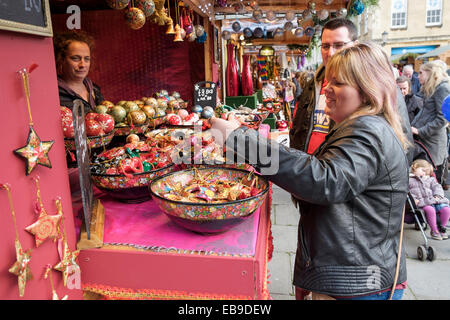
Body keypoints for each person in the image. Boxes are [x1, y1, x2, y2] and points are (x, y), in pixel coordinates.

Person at [210, 42, 410, 300]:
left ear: (367, 89)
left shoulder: (367, 131)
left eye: (337, 83)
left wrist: (239, 139)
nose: (326, 89)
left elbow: (324, 181)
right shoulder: (365, 126)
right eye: (328, 81)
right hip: (353, 271)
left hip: (357, 282)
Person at [289, 18, 414, 164]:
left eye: (338, 45)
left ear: (355, 46)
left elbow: (402, 140)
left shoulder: (378, 86)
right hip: (311, 167)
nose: (331, 52)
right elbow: (299, 126)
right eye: (325, 46)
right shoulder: (313, 83)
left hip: (342, 172)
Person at [411, 61, 450, 185]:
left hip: (433, 145)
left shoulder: (442, 88)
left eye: (421, 73)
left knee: (432, 183)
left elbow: (442, 118)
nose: (418, 76)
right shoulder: (433, 88)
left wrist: (420, 131)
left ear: (431, 73)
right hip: (425, 142)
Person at [53, 31, 104, 112]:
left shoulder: (94, 90)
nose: (82, 65)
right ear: (61, 59)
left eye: (87, 59)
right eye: (76, 58)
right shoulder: (54, 93)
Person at [409, 159, 450, 240]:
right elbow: (408, 192)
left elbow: (437, 187)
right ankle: (434, 230)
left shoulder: (430, 179)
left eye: (426, 172)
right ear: (415, 167)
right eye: (423, 170)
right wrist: (414, 199)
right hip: (423, 202)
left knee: (446, 209)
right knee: (430, 209)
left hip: (435, 200)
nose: (424, 173)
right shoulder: (409, 180)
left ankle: (442, 228)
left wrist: (438, 195)